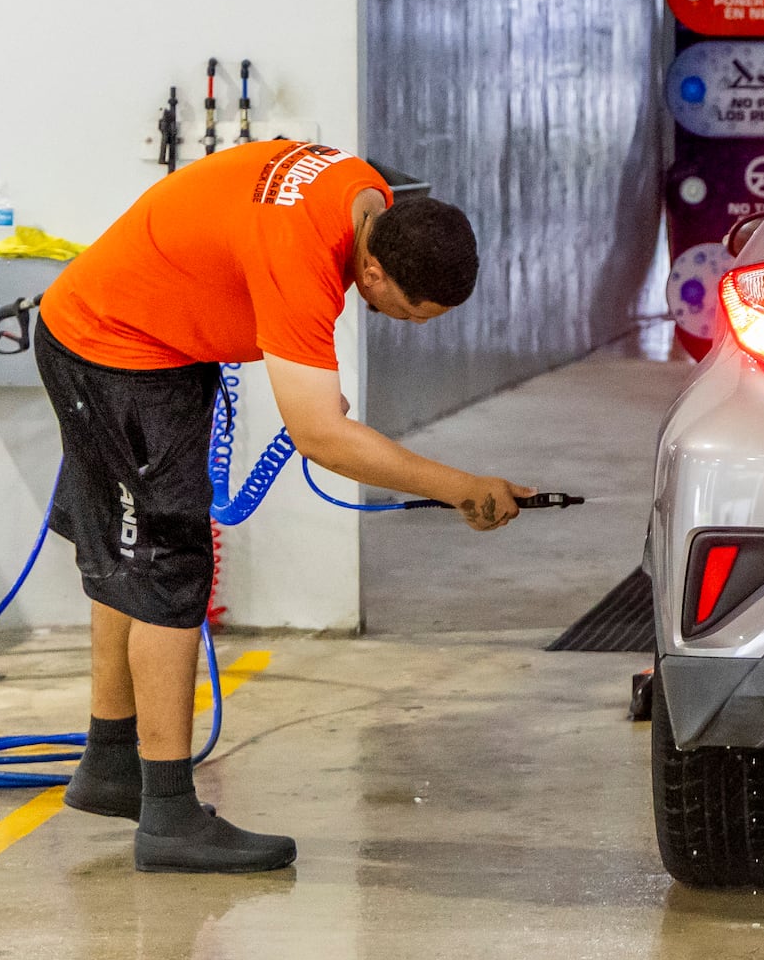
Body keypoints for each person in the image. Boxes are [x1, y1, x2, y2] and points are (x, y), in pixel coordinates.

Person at [34, 141, 534, 873]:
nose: (415, 324)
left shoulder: (363, 192)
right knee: (166, 571)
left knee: (131, 556)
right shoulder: (303, 259)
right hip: (113, 350)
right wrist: (461, 485)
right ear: (373, 272)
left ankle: (112, 762)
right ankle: (168, 815)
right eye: (412, 311)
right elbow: (320, 436)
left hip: (142, 340)